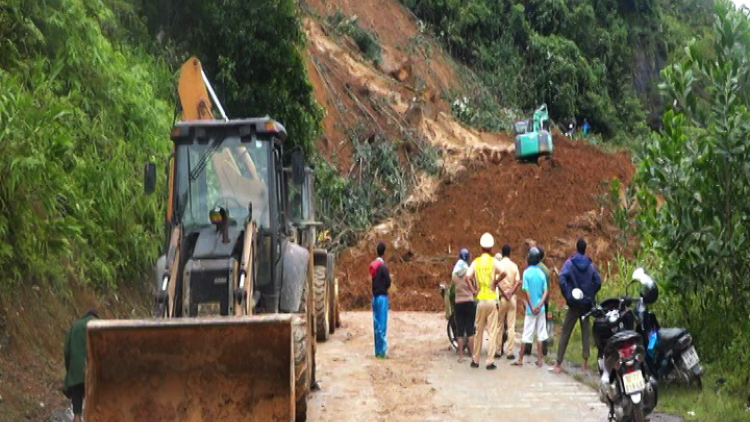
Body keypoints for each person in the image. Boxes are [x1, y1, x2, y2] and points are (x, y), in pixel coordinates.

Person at [553, 238, 602, 375]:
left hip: (574, 304)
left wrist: (568, 295)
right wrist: (590, 294)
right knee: (585, 333)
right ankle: (584, 365)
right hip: (586, 305)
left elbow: (562, 279)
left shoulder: (570, 263)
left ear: (576, 248)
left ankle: (558, 364)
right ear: (585, 249)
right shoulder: (590, 266)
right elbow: (598, 281)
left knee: (565, 332)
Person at [466, 233, 506, 370]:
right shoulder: (494, 262)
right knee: (492, 331)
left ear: (481, 247)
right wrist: (495, 282)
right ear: (491, 248)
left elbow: (467, 277)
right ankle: (489, 361)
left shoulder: (476, 262)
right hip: (491, 300)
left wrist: (473, 290)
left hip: (481, 300)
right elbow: (504, 272)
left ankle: (475, 359)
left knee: (478, 331)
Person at [512, 247, 549, 367]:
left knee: (527, 335)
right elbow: (545, 292)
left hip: (530, 310)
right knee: (540, 334)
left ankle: (520, 359)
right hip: (541, 309)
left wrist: (532, 305)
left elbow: (525, 291)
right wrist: (539, 305)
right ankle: (539, 360)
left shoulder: (526, 273)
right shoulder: (541, 273)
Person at [63, 308, 99, 422]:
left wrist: (70, 369)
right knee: (94, 406)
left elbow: (66, 351)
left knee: (77, 411)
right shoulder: (97, 325)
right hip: (92, 369)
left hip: (76, 370)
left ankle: (77, 418)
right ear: (95, 316)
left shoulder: (75, 326)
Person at [494, 244, 520, 360]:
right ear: (510, 253)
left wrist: (504, 294)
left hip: (502, 299)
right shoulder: (514, 266)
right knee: (511, 326)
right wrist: (510, 293)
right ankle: (510, 352)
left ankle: (498, 350)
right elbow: (517, 282)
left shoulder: (498, 266)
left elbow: (496, 282)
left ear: (502, 253)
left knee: (499, 325)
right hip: (512, 299)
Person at [452, 248, 476, 363]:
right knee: (470, 330)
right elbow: (474, 285)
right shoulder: (470, 271)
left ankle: (461, 356)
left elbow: (452, 288)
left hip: (458, 302)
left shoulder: (454, 273)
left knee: (460, 331)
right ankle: (472, 356)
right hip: (469, 302)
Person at [370, 241, 392, 358]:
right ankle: (382, 352)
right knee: (382, 324)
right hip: (382, 298)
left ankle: (377, 351)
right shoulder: (383, 267)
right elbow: (388, 283)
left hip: (374, 297)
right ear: (384, 253)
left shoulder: (374, 266)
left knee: (376, 324)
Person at [537, 247, 554, 356]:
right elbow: (548, 288)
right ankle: (544, 349)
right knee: (543, 324)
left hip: (533, 300)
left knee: (530, 322)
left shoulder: (532, 268)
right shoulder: (546, 270)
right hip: (544, 300)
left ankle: (528, 348)